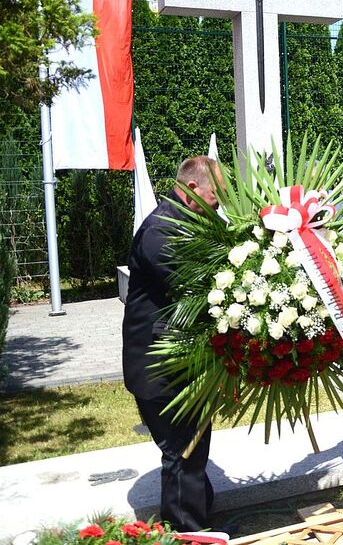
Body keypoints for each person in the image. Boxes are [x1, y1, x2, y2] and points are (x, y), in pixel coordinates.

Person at [122, 155, 222, 531]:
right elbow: (196, 286)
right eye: (215, 198)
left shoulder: (184, 222)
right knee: (183, 452)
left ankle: (202, 519)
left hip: (180, 362)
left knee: (191, 449)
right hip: (159, 367)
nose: (218, 207)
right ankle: (189, 534)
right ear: (193, 189)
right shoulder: (160, 231)